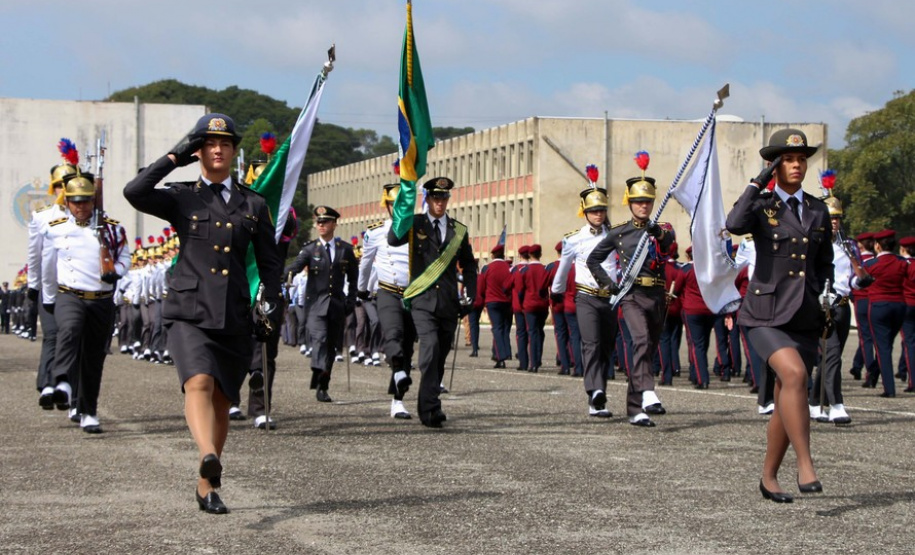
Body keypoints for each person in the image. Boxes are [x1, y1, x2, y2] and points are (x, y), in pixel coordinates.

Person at [124, 113, 282, 514]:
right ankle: (208, 454)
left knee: (223, 398)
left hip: (233, 314)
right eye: (209, 144)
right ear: (199, 151)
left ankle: (207, 483)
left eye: (225, 144)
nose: (217, 150)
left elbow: (269, 262)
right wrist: (175, 156)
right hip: (189, 311)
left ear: (233, 151)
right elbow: (135, 191)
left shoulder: (254, 203)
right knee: (198, 382)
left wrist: (271, 301)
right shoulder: (183, 196)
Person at [725, 128, 834, 503]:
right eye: (788, 160)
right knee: (795, 375)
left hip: (805, 315)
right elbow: (735, 224)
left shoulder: (818, 209)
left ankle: (769, 478)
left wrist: (827, 292)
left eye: (801, 159)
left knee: (787, 397)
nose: (797, 165)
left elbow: (824, 261)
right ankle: (806, 464)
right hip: (765, 314)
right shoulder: (762, 205)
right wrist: (757, 182)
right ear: (775, 165)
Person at [41, 171, 131, 432]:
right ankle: (61, 381)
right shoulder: (56, 229)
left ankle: (88, 411)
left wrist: (117, 271)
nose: (81, 206)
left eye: (85, 201)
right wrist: (48, 299)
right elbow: (47, 267)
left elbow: (125, 257)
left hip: (101, 299)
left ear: (93, 200)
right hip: (70, 294)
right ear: (67, 202)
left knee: (93, 357)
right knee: (69, 329)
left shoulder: (112, 229)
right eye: (75, 201)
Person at [387, 177, 477, 428]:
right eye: (436, 197)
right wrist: (403, 209)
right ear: (427, 199)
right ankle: (430, 409)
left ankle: (429, 402)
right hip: (422, 300)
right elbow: (393, 239)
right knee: (431, 348)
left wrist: (471, 294)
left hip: (448, 302)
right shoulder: (415, 223)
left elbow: (469, 265)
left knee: (440, 356)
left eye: (444, 197)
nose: (440, 202)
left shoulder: (458, 230)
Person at [587, 166, 673, 427]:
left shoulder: (662, 228)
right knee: (641, 340)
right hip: (632, 295)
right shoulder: (619, 232)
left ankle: (635, 410)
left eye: (647, 201)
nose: (643, 206)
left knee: (646, 351)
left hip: (657, 295)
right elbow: (593, 260)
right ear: (630, 203)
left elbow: (668, 243)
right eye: (638, 202)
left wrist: (658, 233)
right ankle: (647, 391)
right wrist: (609, 285)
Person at [551, 183, 617, 417]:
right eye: (593, 210)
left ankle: (598, 397)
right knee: (592, 344)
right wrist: (557, 291)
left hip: (610, 299)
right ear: (585, 212)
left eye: (602, 210)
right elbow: (563, 269)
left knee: (606, 348)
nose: (598, 214)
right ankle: (595, 390)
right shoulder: (574, 239)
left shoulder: (614, 236)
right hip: (586, 297)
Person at [808, 196, 873, 424]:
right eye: (831, 217)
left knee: (830, 357)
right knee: (833, 355)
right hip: (823, 306)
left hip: (843, 306)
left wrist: (860, 282)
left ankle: (814, 403)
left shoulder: (849, 244)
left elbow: (851, 278)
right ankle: (837, 405)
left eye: (837, 218)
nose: (834, 222)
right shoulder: (814, 243)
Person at [285, 206, 358, 403]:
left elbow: (354, 277)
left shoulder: (345, 249)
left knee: (332, 346)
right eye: (319, 222)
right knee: (320, 339)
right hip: (316, 306)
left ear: (334, 224)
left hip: (336, 305)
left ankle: (322, 384)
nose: (321, 225)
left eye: (325, 222)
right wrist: (277, 274)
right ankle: (318, 373)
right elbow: (295, 267)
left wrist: (351, 300)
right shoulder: (310, 249)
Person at [358, 183, 416, 420]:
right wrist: (362, 289)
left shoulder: (417, 229)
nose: (398, 208)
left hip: (412, 293)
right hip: (387, 291)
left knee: (408, 346)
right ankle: (399, 369)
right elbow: (366, 263)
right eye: (393, 204)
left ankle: (397, 400)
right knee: (393, 335)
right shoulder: (376, 232)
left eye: (401, 204)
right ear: (388, 206)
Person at [30, 156, 75, 410]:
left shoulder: (86, 215)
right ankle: (47, 385)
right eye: (59, 185)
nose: (63, 189)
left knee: (71, 338)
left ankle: (66, 388)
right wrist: (33, 285)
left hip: (76, 288)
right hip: (49, 287)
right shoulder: (41, 217)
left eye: (67, 184)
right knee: (51, 336)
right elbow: (35, 255)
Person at [862, 229, 907, 398]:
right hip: (899, 305)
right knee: (887, 344)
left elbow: (860, 282)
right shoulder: (902, 262)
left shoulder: (871, 264)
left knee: (883, 347)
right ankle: (873, 374)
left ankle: (889, 388)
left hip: (879, 305)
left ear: (878, 246)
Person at [477, 244, 513, 369]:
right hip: (506, 301)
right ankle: (500, 353)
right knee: (503, 328)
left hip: (492, 301)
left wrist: (482, 300)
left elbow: (481, 287)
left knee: (497, 329)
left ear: (492, 255)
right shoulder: (509, 268)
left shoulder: (487, 268)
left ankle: (501, 356)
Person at [521, 244, 550, 372]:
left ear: (529, 255)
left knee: (532, 333)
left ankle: (533, 363)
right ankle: (538, 358)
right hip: (542, 304)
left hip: (530, 304)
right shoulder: (545, 269)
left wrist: (522, 303)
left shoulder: (525, 270)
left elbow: (521, 289)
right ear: (540, 254)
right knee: (540, 331)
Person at [511, 245, 530, 371]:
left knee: (521, 333)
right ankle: (535, 361)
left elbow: (508, 285)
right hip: (534, 306)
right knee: (534, 333)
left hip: (519, 305)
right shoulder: (539, 267)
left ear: (519, 256)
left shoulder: (515, 270)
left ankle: (523, 361)